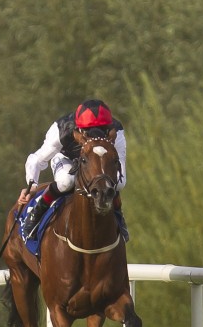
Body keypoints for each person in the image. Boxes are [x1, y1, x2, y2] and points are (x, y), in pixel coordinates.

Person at [19, 98, 129, 240]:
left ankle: (118, 216)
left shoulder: (117, 132)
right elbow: (36, 159)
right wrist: (32, 184)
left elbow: (118, 163)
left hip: (98, 162)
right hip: (66, 158)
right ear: (79, 129)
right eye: (89, 131)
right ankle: (36, 213)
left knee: (119, 183)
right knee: (66, 181)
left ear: (109, 127)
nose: (95, 135)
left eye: (102, 130)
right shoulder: (61, 129)